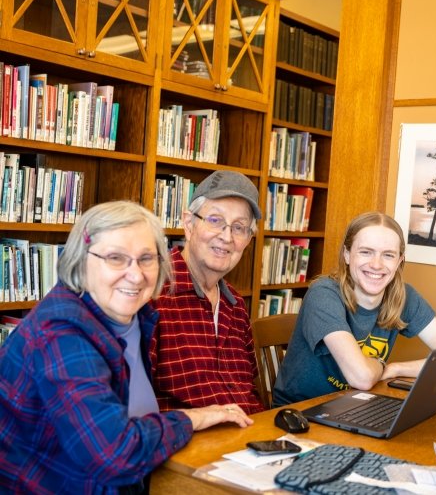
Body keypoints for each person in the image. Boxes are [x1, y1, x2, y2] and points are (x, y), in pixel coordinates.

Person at [0, 200, 253, 494]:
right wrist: (191, 418)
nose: (135, 274)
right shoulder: (61, 333)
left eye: (146, 258)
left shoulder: (134, 318)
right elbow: (114, 454)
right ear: (81, 260)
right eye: (116, 258)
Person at [273, 211, 436, 406]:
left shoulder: (404, 296)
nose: (376, 265)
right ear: (347, 254)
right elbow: (361, 378)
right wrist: (380, 364)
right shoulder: (323, 294)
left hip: (356, 405)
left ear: (399, 261)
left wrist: (396, 369)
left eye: (388, 255)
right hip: (302, 412)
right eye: (366, 252)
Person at [151, 170, 265, 414]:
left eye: (239, 227)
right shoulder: (153, 295)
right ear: (189, 224)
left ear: (248, 239)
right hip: (186, 442)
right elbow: (133, 404)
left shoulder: (235, 306)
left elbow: (249, 393)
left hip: (246, 439)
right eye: (215, 220)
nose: (226, 237)